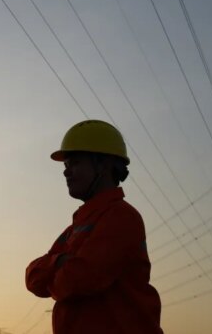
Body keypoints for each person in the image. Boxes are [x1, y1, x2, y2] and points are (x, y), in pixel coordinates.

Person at [25, 119, 163, 334]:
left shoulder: (122, 217)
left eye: (75, 163)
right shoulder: (77, 227)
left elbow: (76, 280)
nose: (66, 172)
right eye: (66, 166)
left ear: (104, 165)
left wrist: (54, 267)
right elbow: (33, 278)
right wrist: (61, 262)